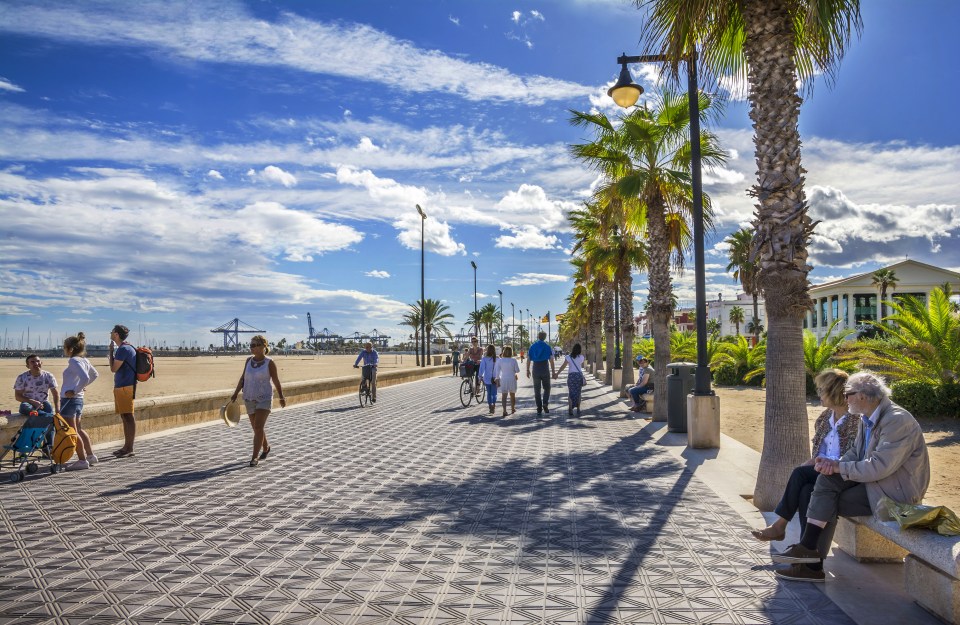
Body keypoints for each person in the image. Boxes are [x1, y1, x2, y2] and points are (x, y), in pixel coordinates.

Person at [773, 371, 930, 582]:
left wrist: (839, 468)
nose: (845, 398)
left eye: (848, 394)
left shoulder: (896, 421)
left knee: (818, 494)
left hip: (893, 496)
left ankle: (810, 559)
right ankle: (808, 557)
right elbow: (855, 454)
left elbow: (880, 467)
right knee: (818, 483)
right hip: (874, 485)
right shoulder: (868, 417)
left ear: (862, 396)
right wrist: (833, 464)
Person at [751, 369, 858, 541]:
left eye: (822, 390)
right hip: (822, 470)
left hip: (844, 474)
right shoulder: (825, 417)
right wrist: (814, 460)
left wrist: (829, 463)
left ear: (834, 392)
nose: (819, 394)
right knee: (806, 491)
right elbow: (819, 450)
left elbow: (856, 454)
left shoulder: (856, 420)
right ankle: (807, 552)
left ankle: (780, 526)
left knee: (800, 473)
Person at [231, 335, 285, 467]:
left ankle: (254, 457)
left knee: (258, 427)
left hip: (264, 398)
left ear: (263, 346)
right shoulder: (248, 361)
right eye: (251, 345)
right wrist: (235, 393)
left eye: (255, 345)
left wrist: (281, 396)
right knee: (257, 428)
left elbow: (276, 380)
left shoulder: (269, 362)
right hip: (249, 396)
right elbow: (243, 378)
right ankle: (266, 448)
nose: (252, 348)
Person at [61, 333, 100, 471]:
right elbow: (94, 375)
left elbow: (85, 377)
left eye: (64, 347)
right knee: (79, 428)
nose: (63, 349)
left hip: (69, 400)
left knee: (73, 430)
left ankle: (82, 460)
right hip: (78, 399)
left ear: (70, 349)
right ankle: (90, 456)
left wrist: (75, 390)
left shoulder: (73, 361)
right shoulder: (84, 360)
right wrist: (80, 388)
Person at [108, 324, 137, 458]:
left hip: (125, 386)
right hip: (123, 386)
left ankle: (129, 448)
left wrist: (110, 352)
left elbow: (113, 368)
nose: (110, 332)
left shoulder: (123, 349)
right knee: (125, 416)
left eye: (112, 331)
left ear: (116, 335)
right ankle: (126, 447)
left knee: (128, 417)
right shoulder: (126, 347)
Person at [14, 354, 60, 419]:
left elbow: (55, 394)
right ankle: (46, 416)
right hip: (28, 403)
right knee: (24, 407)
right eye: (32, 362)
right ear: (28, 366)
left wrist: (57, 409)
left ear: (41, 363)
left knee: (48, 407)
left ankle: (43, 415)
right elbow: (18, 396)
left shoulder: (48, 376)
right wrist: (33, 402)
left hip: (43, 403)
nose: (36, 363)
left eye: (38, 361)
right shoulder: (22, 377)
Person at [526, 331, 555, 416]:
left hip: (536, 368)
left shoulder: (532, 346)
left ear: (538, 337)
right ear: (545, 337)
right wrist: (553, 371)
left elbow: (528, 359)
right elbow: (551, 360)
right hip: (545, 368)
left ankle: (539, 407)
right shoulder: (547, 347)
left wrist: (527, 370)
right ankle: (545, 403)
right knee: (547, 388)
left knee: (537, 390)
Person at [554, 343, 586, 417]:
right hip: (578, 376)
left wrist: (557, 373)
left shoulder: (568, 357)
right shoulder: (581, 357)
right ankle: (578, 409)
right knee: (578, 392)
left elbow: (563, 366)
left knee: (571, 393)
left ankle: (570, 409)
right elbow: (580, 362)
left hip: (571, 376)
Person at [494, 345, 520, 416]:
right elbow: (517, 370)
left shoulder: (500, 360)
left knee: (504, 396)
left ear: (504, 352)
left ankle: (504, 411)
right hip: (512, 378)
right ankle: (512, 408)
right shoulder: (513, 360)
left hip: (503, 379)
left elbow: (497, 371)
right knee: (512, 395)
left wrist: (497, 379)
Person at [478, 344, 499, 415]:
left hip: (487, 378)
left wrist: (480, 377)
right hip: (495, 378)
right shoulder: (498, 358)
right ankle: (494, 405)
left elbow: (482, 369)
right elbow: (500, 369)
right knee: (494, 393)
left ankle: (490, 406)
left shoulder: (484, 359)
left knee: (489, 393)